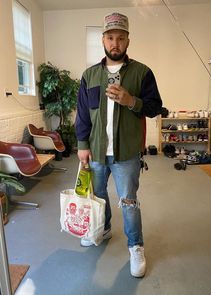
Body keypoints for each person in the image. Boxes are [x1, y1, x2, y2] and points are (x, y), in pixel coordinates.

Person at [75, 12, 162, 278]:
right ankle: (103, 228)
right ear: (103, 39)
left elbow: (155, 107)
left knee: (129, 202)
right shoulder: (90, 76)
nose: (115, 43)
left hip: (126, 154)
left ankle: (136, 246)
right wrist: (82, 144)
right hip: (98, 151)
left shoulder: (142, 73)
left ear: (128, 41)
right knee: (99, 196)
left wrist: (130, 100)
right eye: (110, 37)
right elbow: (81, 114)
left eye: (121, 38)